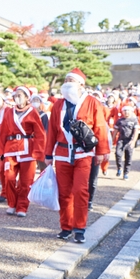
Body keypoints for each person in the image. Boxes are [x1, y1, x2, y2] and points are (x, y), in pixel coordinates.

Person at [44, 68, 109, 244]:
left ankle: (79, 228)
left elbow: (100, 127)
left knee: (80, 191)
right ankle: (66, 227)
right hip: (63, 153)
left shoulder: (92, 103)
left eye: (71, 80)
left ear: (81, 84)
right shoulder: (58, 104)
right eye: (66, 80)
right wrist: (48, 153)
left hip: (83, 153)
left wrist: (102, 151)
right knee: (64, 193)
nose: (68, 83)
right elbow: (52, 131)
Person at [0, 86, 46, 217]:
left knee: (26, 181)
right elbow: (3, 132)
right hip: (10, 149)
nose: (17, 98)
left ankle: (22, 207)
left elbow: (40, 133)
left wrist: (38, 151)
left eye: (20, 95)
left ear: (26, 97)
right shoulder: (8, 112)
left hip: (28, 150)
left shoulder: (32, 112)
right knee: (9, 178)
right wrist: (1, 151)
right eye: (15, 95)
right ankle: (12, 203)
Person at [113, 106, 140, 181]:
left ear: (131, 111)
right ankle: (119, 167)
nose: (126, 112)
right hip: (121, 140)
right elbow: (115, 131)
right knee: (118, 154)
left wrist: (133, 141)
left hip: (129, 141)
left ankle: (126, 173)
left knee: (128, 157)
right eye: (125, 111)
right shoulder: (119, 121)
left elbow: (136, 131)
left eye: (128, 110)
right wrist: (112, 140)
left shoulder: (134, 120)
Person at [31, 94, 49, 172]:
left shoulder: (43, 115)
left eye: (37, 100)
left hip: (40, 141)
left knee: (42, 161)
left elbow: (46, 129)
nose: (35, 102)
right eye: (33, 100)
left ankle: (43, 177)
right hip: (30, 140)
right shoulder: (28, 114)